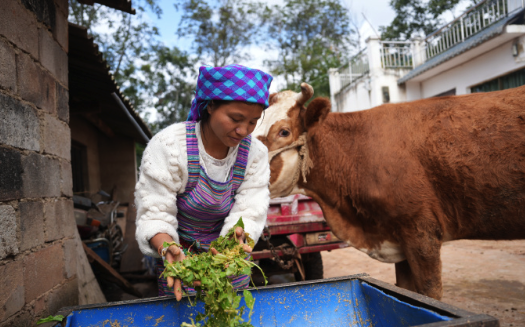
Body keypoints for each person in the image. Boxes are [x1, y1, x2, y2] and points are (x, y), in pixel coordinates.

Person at [135, 64, 273, 299]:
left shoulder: (255, 154)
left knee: (231, 313)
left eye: (253, 122)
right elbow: (155, 214)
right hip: (180, 260)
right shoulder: (170, 147)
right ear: (210, 105)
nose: (243, 130)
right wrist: (169, 249)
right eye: (235, 118)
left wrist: (235, 242)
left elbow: (250, 210)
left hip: (229, 260)